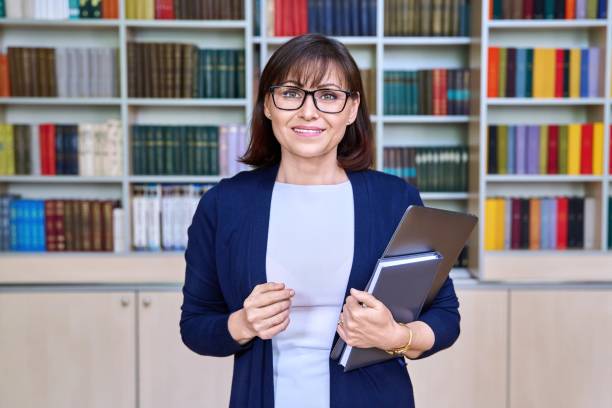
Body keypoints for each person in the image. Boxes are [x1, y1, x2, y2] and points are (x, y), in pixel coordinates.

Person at [180, 33, 460, 408]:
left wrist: (396, 336)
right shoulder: (224, 204)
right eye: (291, 93)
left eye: (328, 96)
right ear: (268, 105)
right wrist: (243, 324)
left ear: (351, 109)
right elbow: (196, 326)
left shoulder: (395, 200)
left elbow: (445, 316)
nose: (308, 112)